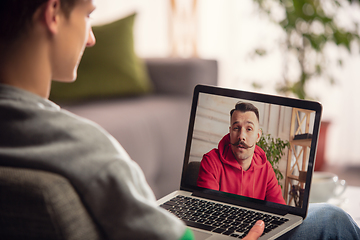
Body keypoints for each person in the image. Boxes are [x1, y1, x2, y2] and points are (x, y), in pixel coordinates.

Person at [0, 1, 359, 240]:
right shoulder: (89, 150)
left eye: (249, 129)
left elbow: (277, 204)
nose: (91, 37)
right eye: (89, 14)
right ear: (52, 14)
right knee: (332, 220)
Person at [197, 102, 286, 205]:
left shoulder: (267, 169)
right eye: (236, 128)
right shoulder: (211, 161)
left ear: (258, 136)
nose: (241, 136)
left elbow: (278, 210)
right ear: (230, 132)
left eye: (249, 129)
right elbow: (207, 209)